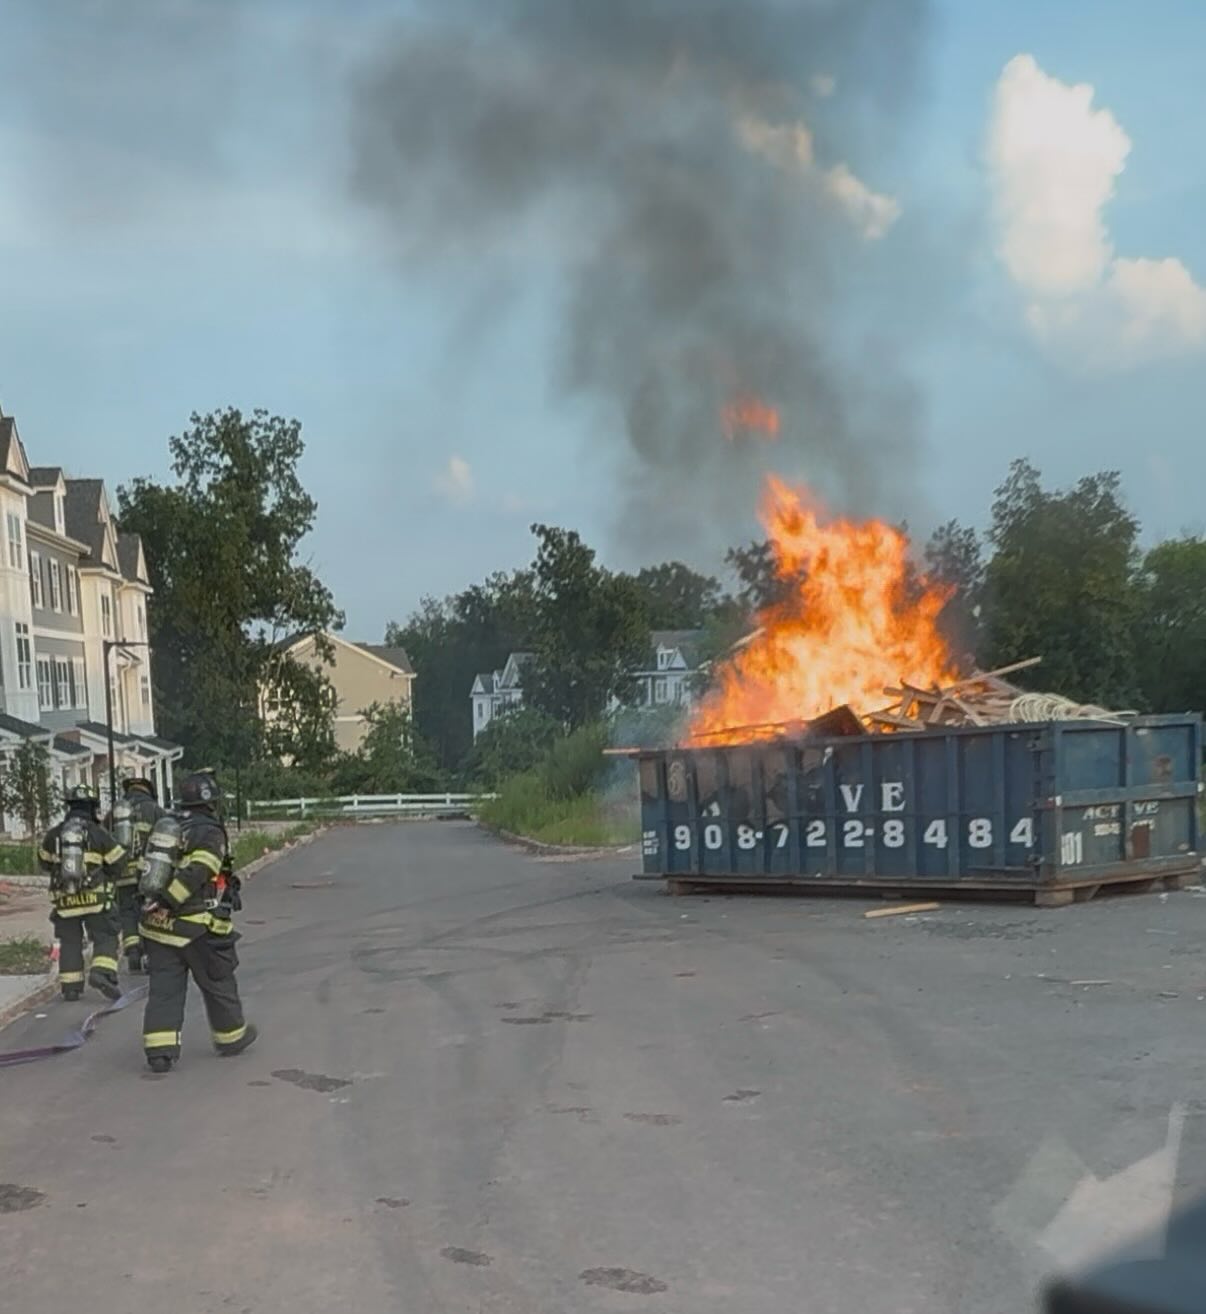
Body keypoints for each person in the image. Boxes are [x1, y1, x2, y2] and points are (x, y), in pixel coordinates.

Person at [139, 770, 257, 1074]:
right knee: (218, 979)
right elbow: (198, 872)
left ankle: (159, 1051)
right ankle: (231, 1037)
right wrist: (170, 900)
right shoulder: (210, 832)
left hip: (158, 927)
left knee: (164, 989)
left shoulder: (169, 825)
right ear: (211, 803)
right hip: (195, 924)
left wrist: (159, 905)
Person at [38, 785, 126, 1002]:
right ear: (92, 808)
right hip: (95, 898)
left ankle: (70, 987)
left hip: (65, 901)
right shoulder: (98, 833)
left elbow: (44, 862)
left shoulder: (55, 834)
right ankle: (101, 972)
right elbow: (118, 862)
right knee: (105, 935)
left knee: (70, 942)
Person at [107, 772, 165, 973]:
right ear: (148, 791)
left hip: (122, 873)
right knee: (149, 912)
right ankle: (150, 954)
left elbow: (104, 840)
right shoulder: (156, 811)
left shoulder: (115, 811)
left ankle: (133, 951)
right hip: (150, 873)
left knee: (127, 912)